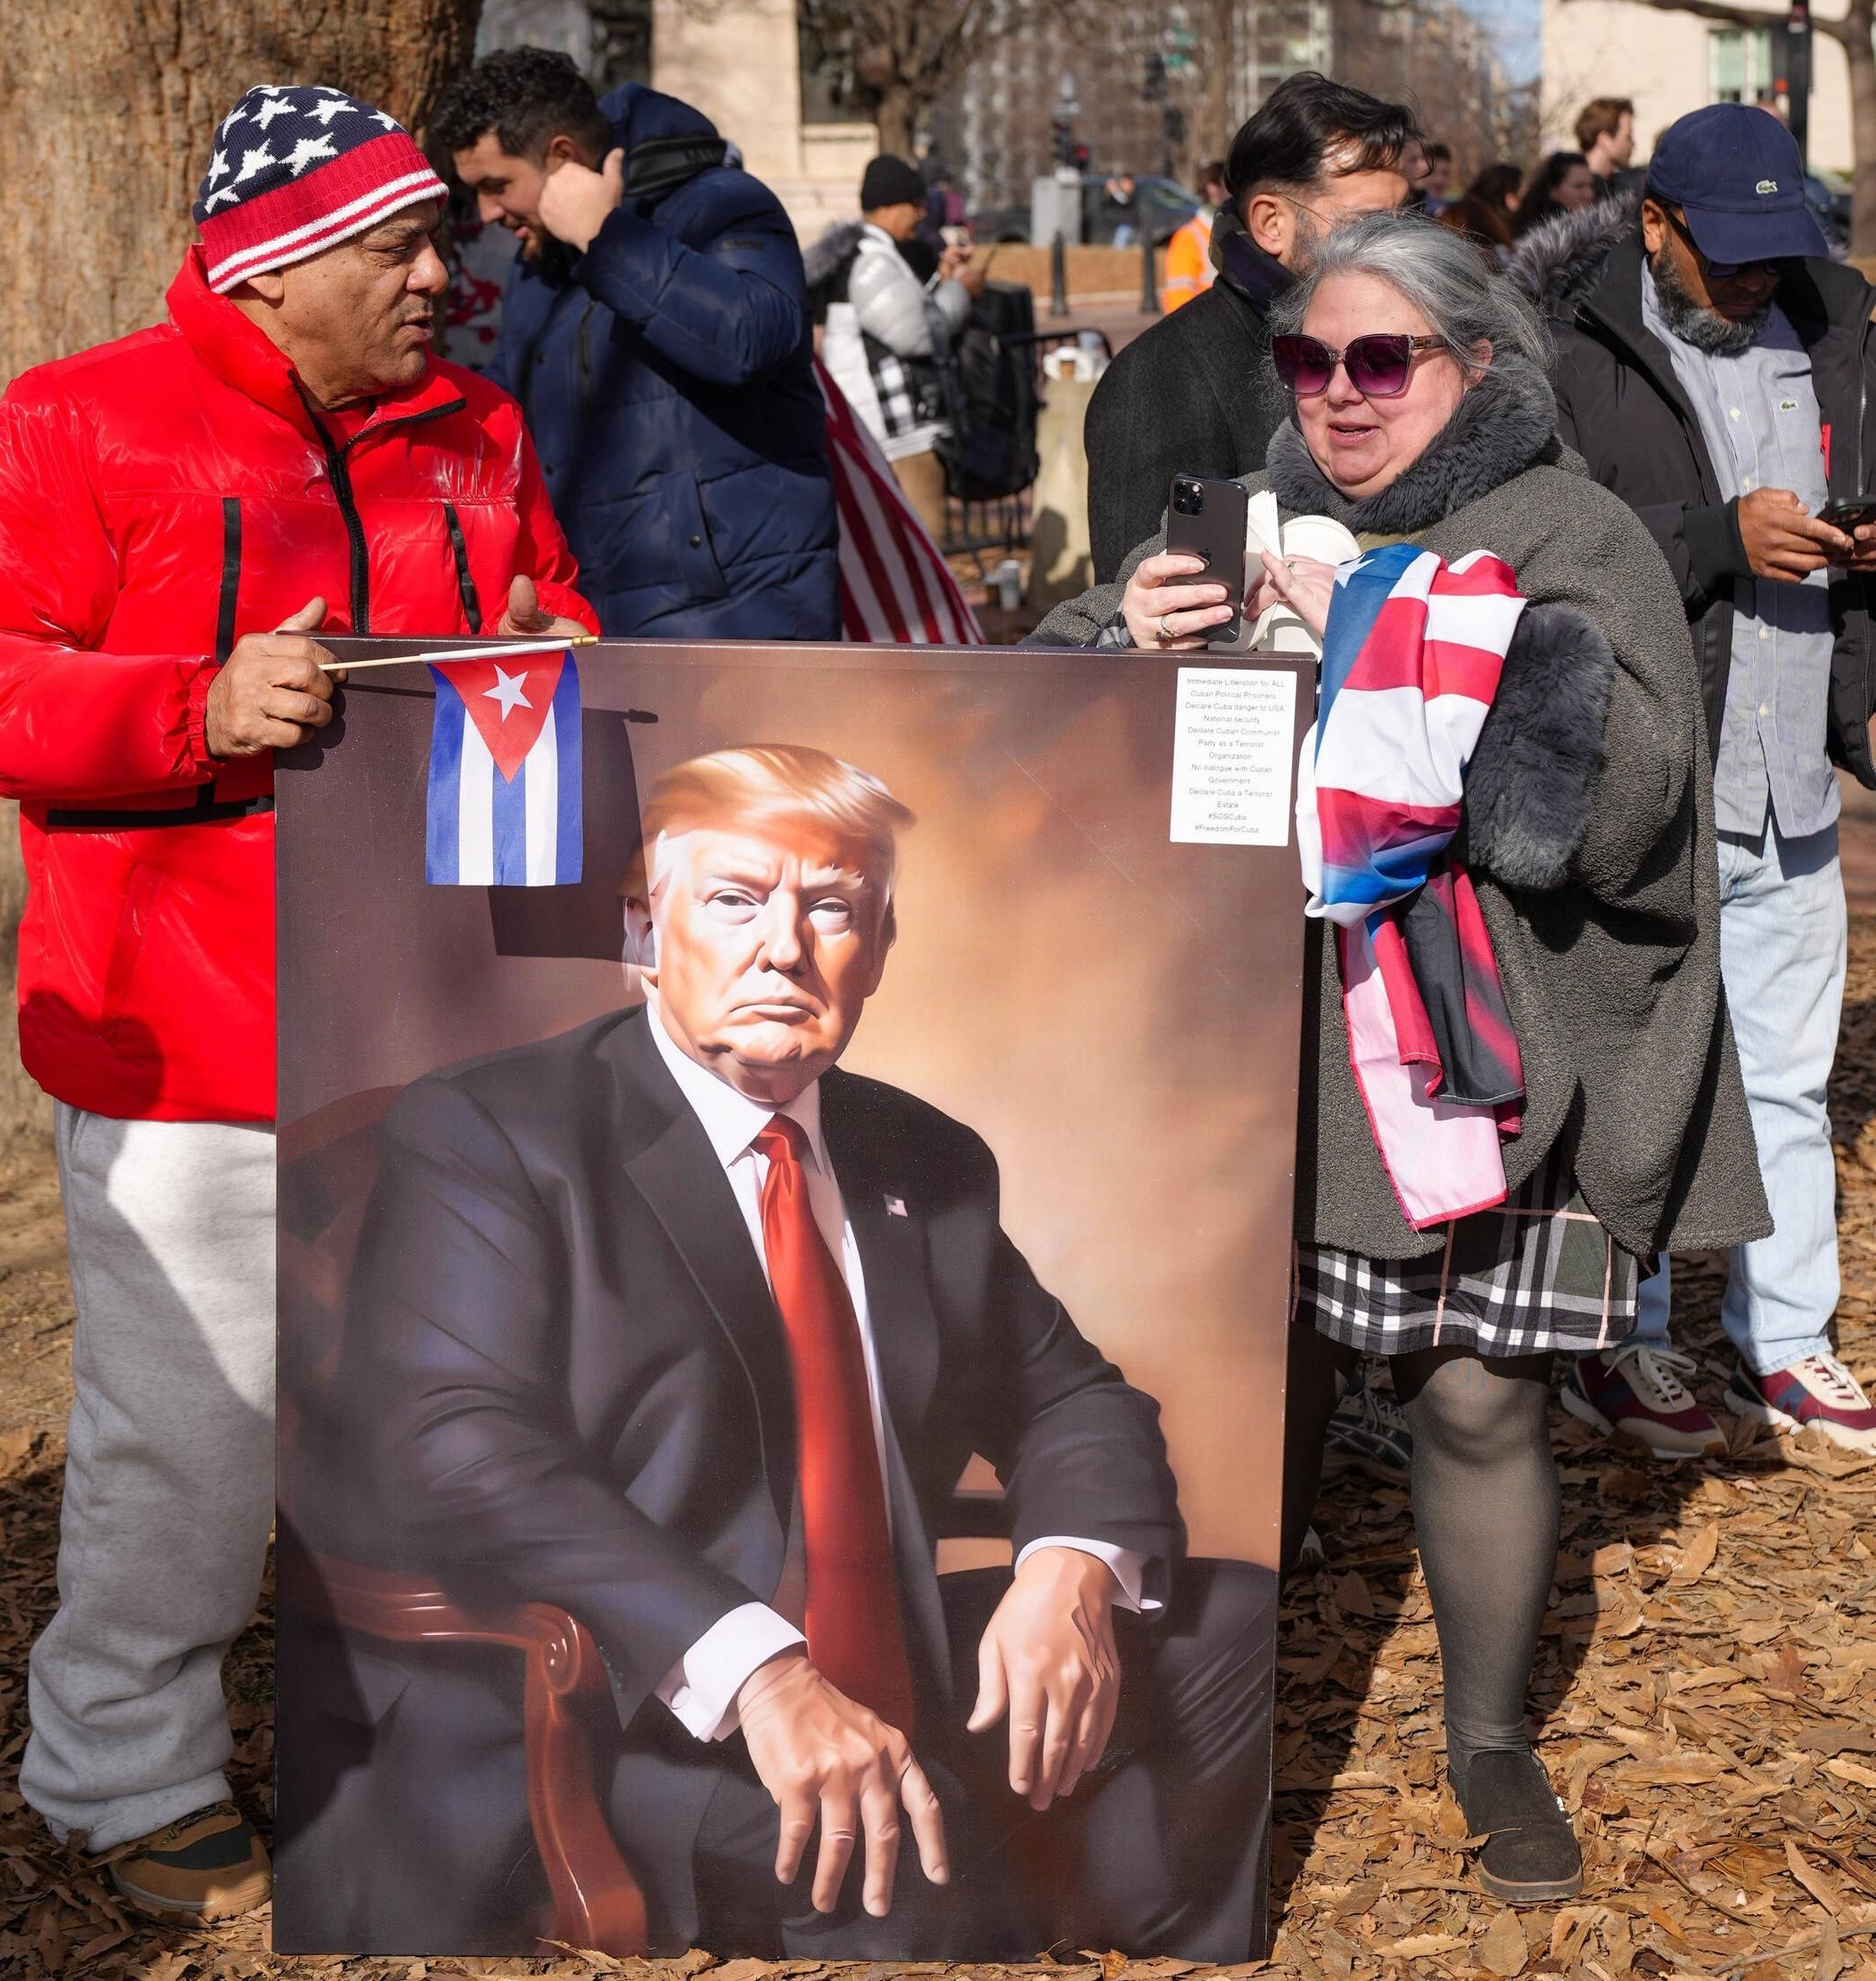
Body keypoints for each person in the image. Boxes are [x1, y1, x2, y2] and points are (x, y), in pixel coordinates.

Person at [0, 83, 597, 1921]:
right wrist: (186, 708)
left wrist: (564, 650)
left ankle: (454, 1736)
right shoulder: (78, 419)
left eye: (446, 237)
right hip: (176, 1032)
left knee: (457, 1398)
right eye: (403, 246)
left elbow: (546, 614)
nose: (448, 274)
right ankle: (116, 1759)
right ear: (279, 270)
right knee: (188, 1433)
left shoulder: (479, 426)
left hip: (439, 1022)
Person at [1033, 211, 1766, 1901]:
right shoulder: (1243, 518)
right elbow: (1083, 767)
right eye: (1308, 360)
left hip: (1486, 1060)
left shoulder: (1566, 526)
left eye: (1382, 359)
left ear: (1477, 363)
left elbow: (1604, 811)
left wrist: (1376, 618)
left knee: (1473, 1398)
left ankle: (1487, 1735)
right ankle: (1213, 1717)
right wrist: (1116, 649)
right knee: (1240, 1390)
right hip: (1258, 1047)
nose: (1339, 393)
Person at [284, 745, 1277, 1957]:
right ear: (647, 933)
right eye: (736, 900)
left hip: (889, 1643)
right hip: (631, 1703)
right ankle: (985, 1910)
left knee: (1231, 1629)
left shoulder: (922, 1154)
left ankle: (1128, 1925)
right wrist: (759, 1671)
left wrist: (1066, 1569)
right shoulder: (497, 1129)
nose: (784, 948)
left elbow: (1071, 1393)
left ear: (881, 948)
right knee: (901, 1856)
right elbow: (453, 1443)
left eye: (831, 907)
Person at [1512, 103, 1876, 1458]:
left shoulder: (1834, 332)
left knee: (1786, 1077)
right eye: (1725, 253)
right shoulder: (1568, 354)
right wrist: (1713, 539)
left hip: (1789, 783)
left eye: (1775, 253)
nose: (1752, 279)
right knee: (1636, 1077)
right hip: (1646, 782)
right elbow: (1546, 559)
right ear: (1652, 223)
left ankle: (1782, 1341)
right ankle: (1623, 1340)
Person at [438, 49, 840, 641]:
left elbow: (751, 340)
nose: (486, 212)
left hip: (738, 618)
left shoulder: (722, 203)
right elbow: (503, 411)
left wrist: (607, 238)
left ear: (563, 158)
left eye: (497, 185)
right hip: (599, 615)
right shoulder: (540, 264)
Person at [1082, 71, 1416, 581]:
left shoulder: (1394, 344)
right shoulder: (1159, 377)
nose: (1394, 246)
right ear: (1270, 223)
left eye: (1405, 219)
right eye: (1368, 223)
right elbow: (1144, 620)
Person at [802, 154, 989, 529]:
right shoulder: (872, 262)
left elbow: (901, 319)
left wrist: (940, 283)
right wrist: (960, 291)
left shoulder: (873, 256)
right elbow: (917, 335)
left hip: (889, 432)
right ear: (888, 206)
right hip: (899, 438)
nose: (923, 214)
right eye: (915, 204)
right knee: (923, 542)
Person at [1160, 164, 1219, 314]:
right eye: (1229, 187)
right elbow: (1178, 298)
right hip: (1205, 330)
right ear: (1212, 188)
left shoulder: (1235, 233)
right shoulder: (1188, 237)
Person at [1512, 152, 1597, 236]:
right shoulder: (1539, 237)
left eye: (1591, 186)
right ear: (1552, 189)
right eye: (1579, 186)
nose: (1589, 194)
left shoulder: (1596, 227)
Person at [1576, 97, 1637, 199]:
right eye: (1628, 136)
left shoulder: (1614, 187)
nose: (1633, 144)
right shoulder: (1580, 194)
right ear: (1605, 140)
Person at [1417, 140, 1455, 217]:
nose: (1439, 180)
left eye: (1445, 173)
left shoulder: (1453, 209)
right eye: (1432, 173)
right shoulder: (1413, 210)